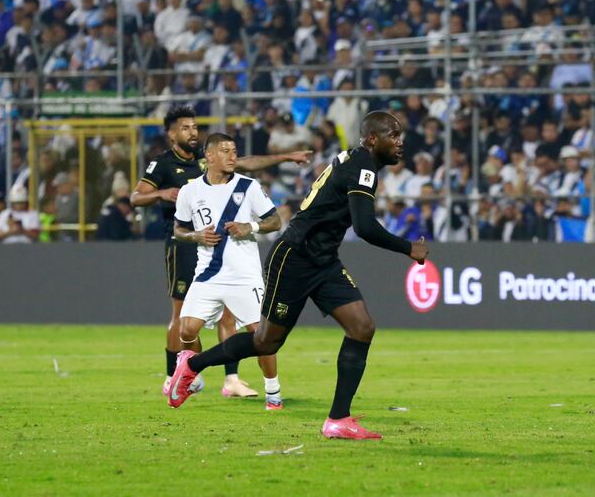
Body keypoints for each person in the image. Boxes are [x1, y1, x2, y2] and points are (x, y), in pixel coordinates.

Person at [167, 111, 429, 441]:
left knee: (362, 328)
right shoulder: (362, 167)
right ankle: (192, 366)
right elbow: (364, 227)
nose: (400, 141)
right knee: (265, 341)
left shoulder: (357, 161)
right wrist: (408, 248)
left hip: (323, 260)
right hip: (294, 255)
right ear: (372, 139)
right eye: (393, 134)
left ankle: (338, 420)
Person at [130, 107, 310, 398]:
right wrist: (161, 194)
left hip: (225, 251)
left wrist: (285, 157)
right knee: (182, 317)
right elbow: (135, 197)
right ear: (171, 133)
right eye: (185, 127)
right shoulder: (162, 164)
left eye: (194, 126)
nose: (192, 131)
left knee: (230, 317)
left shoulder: (208, 162)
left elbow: (246, 164)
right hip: (184, 246)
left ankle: (231, 379)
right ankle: (173, 375)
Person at [173, 133, 284, 410]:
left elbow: (275, 220)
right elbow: (178, 230)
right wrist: (197, 236)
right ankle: (192, 374)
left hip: (244, 276)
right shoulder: (190, 191)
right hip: (208, 274)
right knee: (186, 329)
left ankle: (273, 391)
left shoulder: (249, 186)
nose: (232, 156)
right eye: (225, 151)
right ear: (209, 156)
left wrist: (252, 227)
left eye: (234, 150)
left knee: (261, 336)